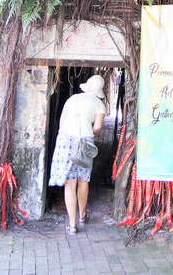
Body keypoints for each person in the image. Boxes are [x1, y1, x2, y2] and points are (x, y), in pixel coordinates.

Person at [48, 74, 106, 235]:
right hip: (85, 141)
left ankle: (72, 225)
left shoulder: (73, 98)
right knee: (83, 179)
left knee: (70, 182)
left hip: (66, 138)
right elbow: (98, 128)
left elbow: (62, 121)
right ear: (99, 91)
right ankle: (82, 216)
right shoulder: (99, 104)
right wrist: (88, 130)